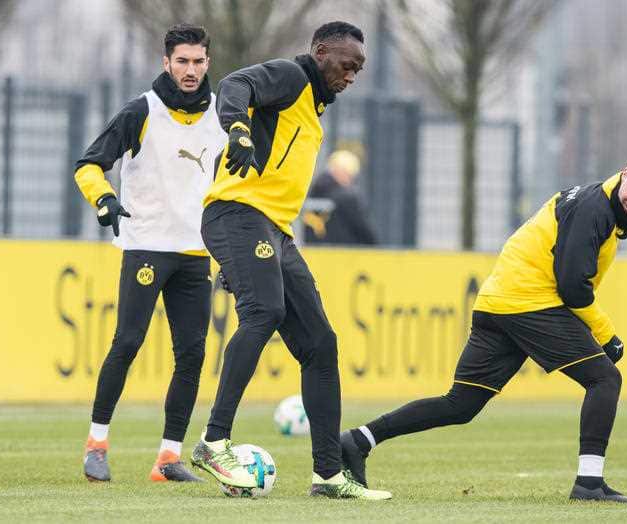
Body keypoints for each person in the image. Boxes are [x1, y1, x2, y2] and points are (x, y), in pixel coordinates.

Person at [340, 149, 627, 502]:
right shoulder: (595, 208)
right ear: (625, 173)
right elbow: (572, 286)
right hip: (529, 304)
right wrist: (607, 335)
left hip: (498, 303)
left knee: (460, 404)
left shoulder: (599, 203)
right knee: (605, 378)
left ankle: (358, 440)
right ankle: (589, 484)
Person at [190, 22, 391, 500]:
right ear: (320, 53)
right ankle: (213, 442)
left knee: (321, 343)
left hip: (272, 231)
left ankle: (328, 475)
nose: (352, 75)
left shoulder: (314, 111)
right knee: (265, 313)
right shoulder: (293, 77)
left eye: (359, 69)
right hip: (237, 215)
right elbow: (235, 84)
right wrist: (238, 129)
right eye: (347, 64)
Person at [75, 24, 225, 483]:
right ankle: (96, 444)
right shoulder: (142, 110)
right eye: (182, 61)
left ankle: (168, 458)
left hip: (195, 253)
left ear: (207, 63)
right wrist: (103, 199)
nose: (191, 70)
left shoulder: (222, 113)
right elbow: (90, 164)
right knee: (128, 341)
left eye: (199, 61)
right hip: (145, 246)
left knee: (194, 353)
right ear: (166, 63)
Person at [304, 149, 377, 245]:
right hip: (345, 254)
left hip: (313, 253)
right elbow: (364, 231)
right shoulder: (348, 198)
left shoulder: (313, 193)